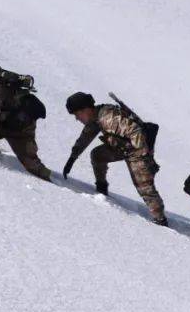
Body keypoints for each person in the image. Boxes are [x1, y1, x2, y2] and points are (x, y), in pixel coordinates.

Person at [62, 92, 167, 225]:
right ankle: (101, 187)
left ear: (86, 109)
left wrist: (144, 159)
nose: (77, 119)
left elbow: (136, 131)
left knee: (144, 186)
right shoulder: (95, 118)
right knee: (97, 155)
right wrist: (72, 158)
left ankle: (160, 219)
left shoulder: (108, 118)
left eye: (77, 115)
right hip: (122, 147)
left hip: (137, 150)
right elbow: (85, 137)